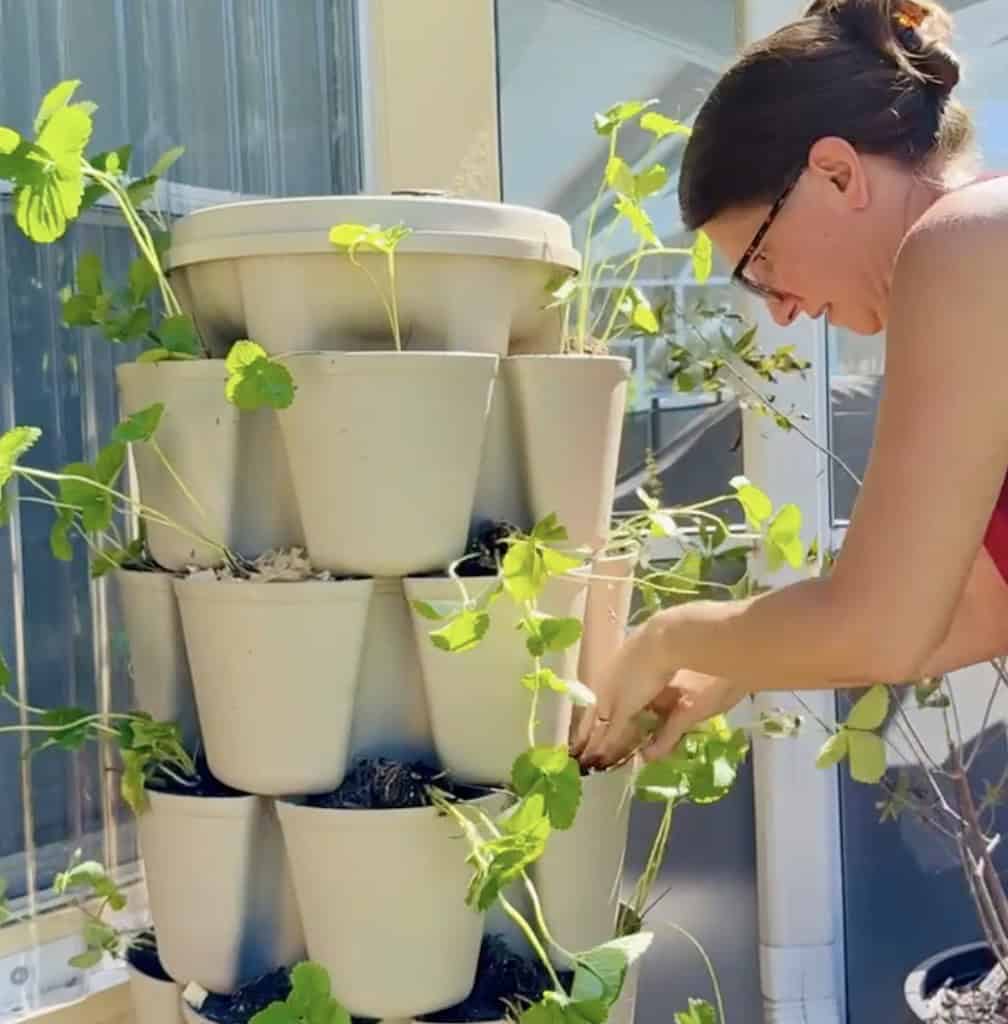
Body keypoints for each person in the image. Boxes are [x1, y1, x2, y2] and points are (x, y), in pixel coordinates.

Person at [573, 0, 1008, 769]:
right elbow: (972, 611)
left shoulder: (967, 244)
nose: (782, 310)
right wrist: (742, 659)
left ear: (837, 173)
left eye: (761, 265)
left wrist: (668, 636)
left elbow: (882, 626)